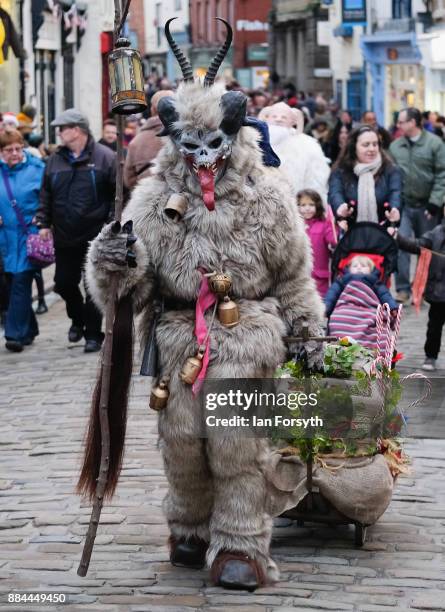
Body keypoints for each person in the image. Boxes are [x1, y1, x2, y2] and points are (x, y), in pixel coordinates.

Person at [80, 20, 324, 592]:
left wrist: (308, 327)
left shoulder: (269, 196)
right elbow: (124, 290)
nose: (203, 158)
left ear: (236, 136)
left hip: (249, 333)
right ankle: (189, 526)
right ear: (175, 141)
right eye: (191, 146)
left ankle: (241, 544)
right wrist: (110, 259)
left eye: (214, 144)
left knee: (239, 445)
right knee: (183, 443)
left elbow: (293, 273)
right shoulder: (150, 196)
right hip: (176, 338)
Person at [36, 108, 116, 352]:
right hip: (64, 234)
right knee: (63, 283)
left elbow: (117, 194)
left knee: (92, 285)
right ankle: (78, 319)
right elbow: (46, 193)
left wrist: (111, 223)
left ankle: (93, 334)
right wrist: (43, 221)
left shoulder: (105, 157)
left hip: (95, 234)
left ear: (77, 130)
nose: (59, 133)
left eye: (63, 128)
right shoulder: (54, 161)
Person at [390, 107, 445, 303]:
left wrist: (435, 202)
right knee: (401, 244)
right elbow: (391, 175)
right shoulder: (396, 147)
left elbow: (442, 174)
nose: (398, 125)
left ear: (413, 122)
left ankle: (422, 289)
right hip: (403, 205)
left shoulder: (435, 144)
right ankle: (403, 288)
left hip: (427, 206)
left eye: (402, 121)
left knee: (426, 249)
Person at [0, 129, 45, 352]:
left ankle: (14, 334)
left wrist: (43, 217)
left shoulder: (37, 169)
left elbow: (48, 197)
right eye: (9, 150)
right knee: (11, 282)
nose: (15, 153)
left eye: (18, 148)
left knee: (20, 280)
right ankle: (30, 329)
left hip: (29, 236)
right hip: (4, 239)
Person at [329, 126, 402, 228]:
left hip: (384, 231)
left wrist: (394, 209)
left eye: (375, 144)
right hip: (349, 231)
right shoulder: (340, 171)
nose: (371, 149)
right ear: (354, 147)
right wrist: (340, 207)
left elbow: (395, 194)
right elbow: (335, 193)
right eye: (366, 145)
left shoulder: (391, 170)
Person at [397, 214, 445, 371]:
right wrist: (397, 237)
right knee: (434, 328)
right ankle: (430, 356)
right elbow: (417, 245)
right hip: (439, 293)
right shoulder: (436, 233)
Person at [261, 102, 330, 203]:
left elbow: (316, 179)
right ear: (267, 118)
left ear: (293, 121)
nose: (278, 119)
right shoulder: (254, 141)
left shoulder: (308, 145)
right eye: (274, 116)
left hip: (296, 204)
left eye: (284, 117)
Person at [325, 255, 398, 348]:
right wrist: (326, 307)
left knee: (375, 323)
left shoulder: (374, 281)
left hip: (367, 309)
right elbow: (332, 294)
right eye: (355, 266)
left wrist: (392, 307)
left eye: (363, 266)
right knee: (336, 318)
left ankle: (367, 346)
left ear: (371, 270)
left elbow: (385, 295)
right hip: (346, 309)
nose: (359, 267)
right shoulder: (342, 280)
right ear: (349, 269)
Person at [123, 90, 173, 190]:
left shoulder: (136, 142)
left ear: (152, 109)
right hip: (180, 201)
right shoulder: (184, 136)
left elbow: (128, 180)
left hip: (147, 198)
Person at [297, 189, 336, 298]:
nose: (307, 208)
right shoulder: (295, 225)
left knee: (320, 303)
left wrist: (331, 224)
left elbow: (333, 241)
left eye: (311, 204)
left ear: (317, 206)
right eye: (303, 205)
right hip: (299, 275)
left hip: (319, 277)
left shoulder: (324, 225)